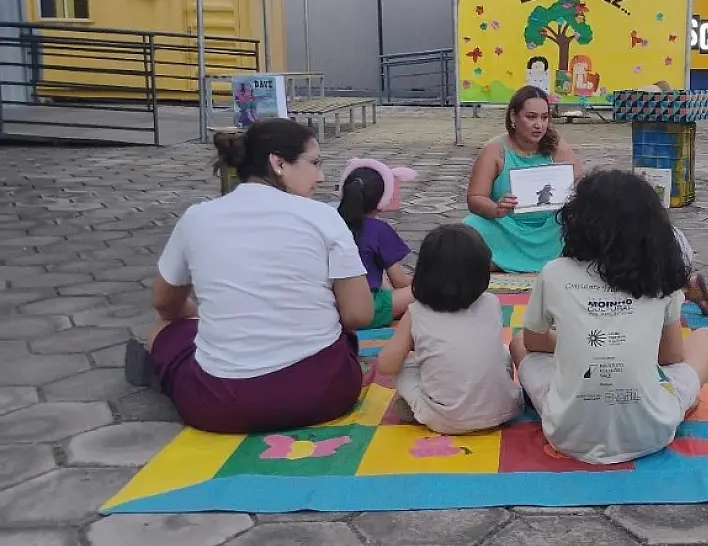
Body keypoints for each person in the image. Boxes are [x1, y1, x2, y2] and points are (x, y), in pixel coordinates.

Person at [127, 118, 375, 434]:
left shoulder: (197, 218)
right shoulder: (323, 216)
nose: (321, 176)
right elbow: (358, 314)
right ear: (278, 163)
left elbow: (165, 304)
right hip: (324, 393)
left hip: (220, 405)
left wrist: (203, 318)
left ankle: (169, 374)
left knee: (161, 329)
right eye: (314, 163)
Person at [510, 169, 708, 465]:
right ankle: (680, 403)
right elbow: (670, 356)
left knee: (518, 341)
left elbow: (533, 343)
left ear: (576, 221)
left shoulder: (554, 272)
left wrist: (578, 343)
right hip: (653, 431)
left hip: (566, 434)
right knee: (707, 339)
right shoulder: (661, 275)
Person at [375, 224, 523, 434]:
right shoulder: (491, 302)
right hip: (504, 409)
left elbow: (386, 366)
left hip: (444, 420)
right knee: (502, 351)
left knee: (403, 366)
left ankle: (416, 407)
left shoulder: (417, 312)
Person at [463, 85, 581, 273]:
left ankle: (505, 263)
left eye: (544, 117)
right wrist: (496, 209)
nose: (539, 125)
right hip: (506, 227)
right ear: (513, 117)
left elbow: (581, 189)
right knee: (470, 226)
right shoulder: (495, 150)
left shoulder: (558, 148)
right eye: (531, 117)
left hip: (550, 228)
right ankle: (529, 261)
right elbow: (475, 198)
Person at [337, 158, 419, 329]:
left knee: (379, 277)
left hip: (335, 307)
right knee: (425, 289)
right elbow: (400, 281)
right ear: (382, 201)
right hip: (368, 309)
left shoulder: (332, 222)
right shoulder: (379, 229)